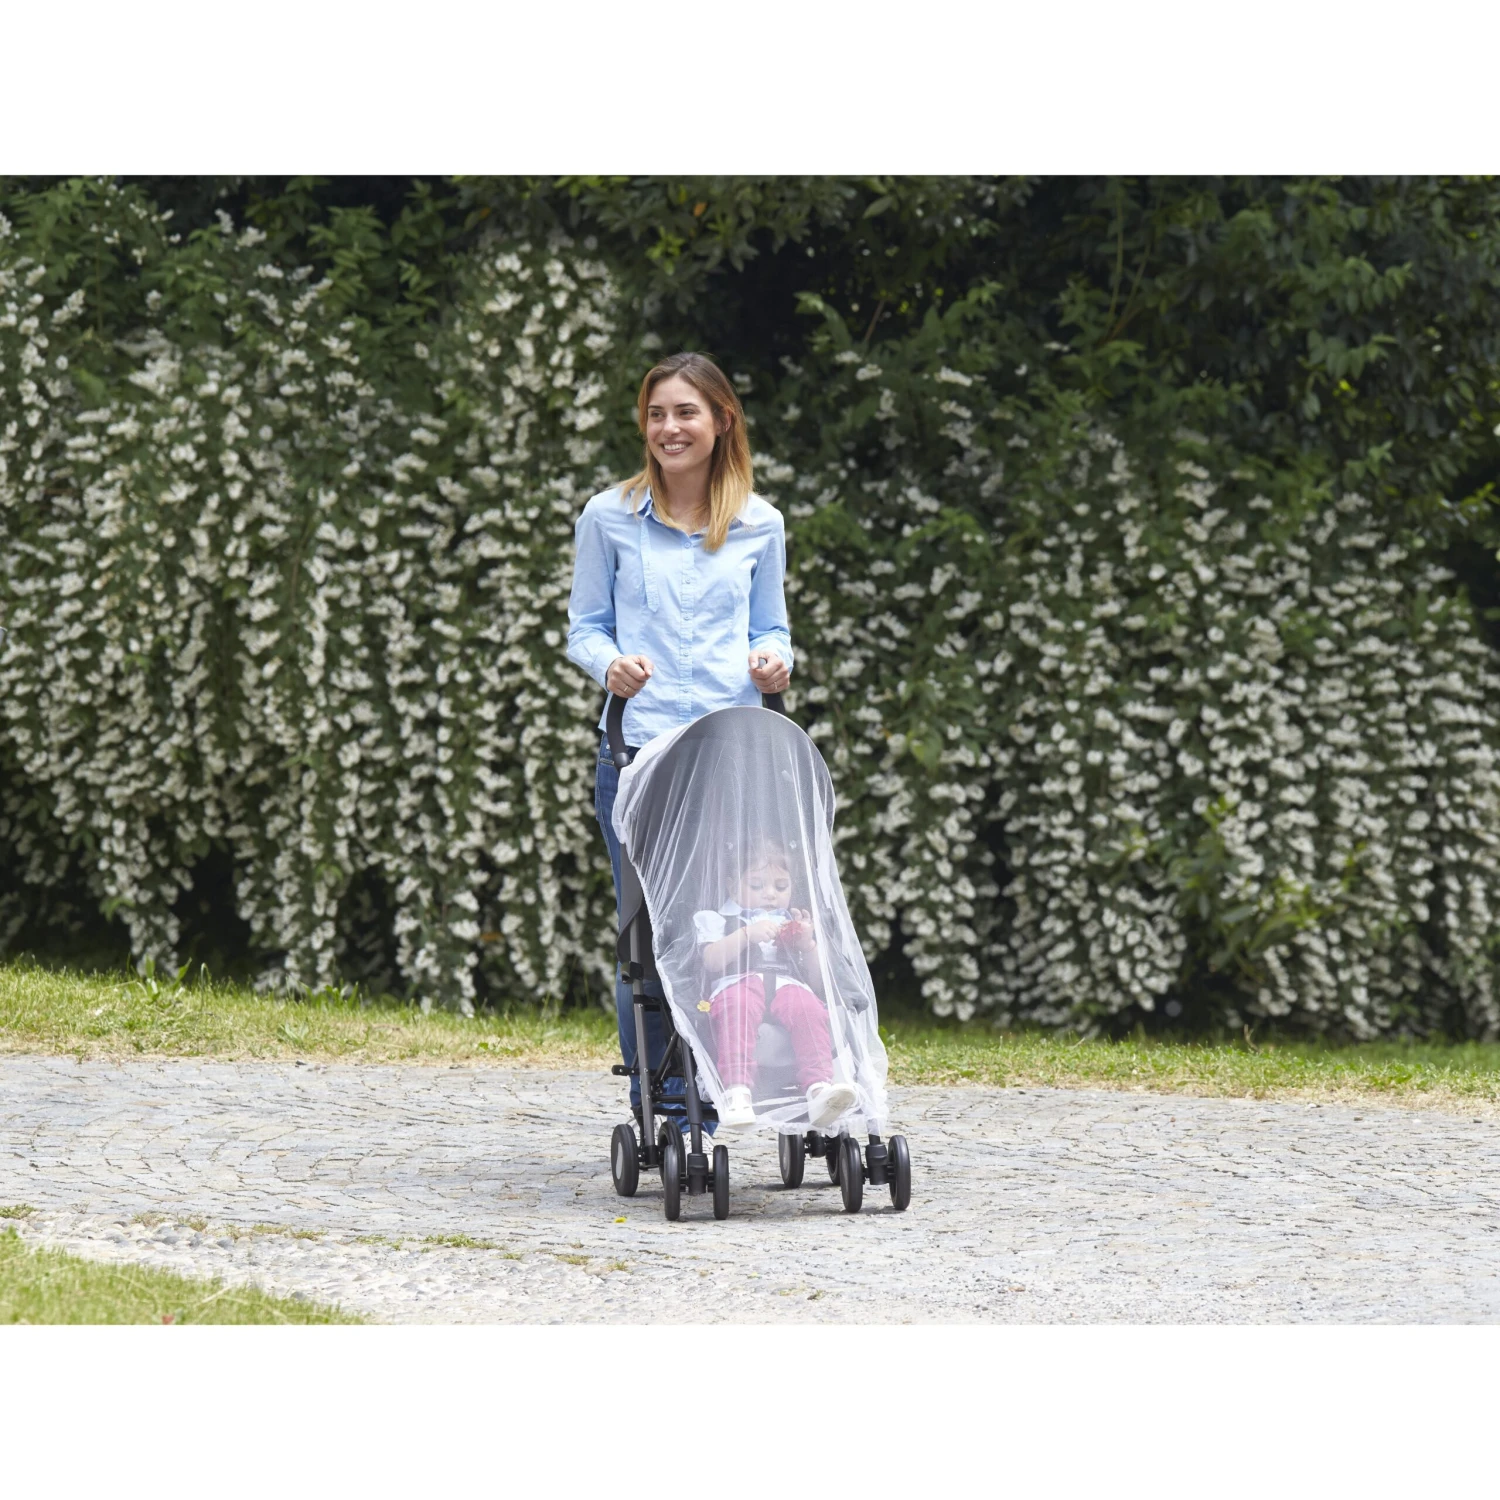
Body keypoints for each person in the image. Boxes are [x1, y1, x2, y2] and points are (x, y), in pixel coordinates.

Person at [566, 351, 794, 1127]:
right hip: (639, 755)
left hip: (732, 757)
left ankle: (732, 1083)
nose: (669, 427)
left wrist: (775, 660)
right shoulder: (608, 517)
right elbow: (584, 627)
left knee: (730, 921)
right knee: (651, 932)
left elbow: (771, 627)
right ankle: (664, 1102)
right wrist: (609, 665)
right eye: (656, 413)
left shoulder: (761, 524)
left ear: (721, 420)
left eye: (685, 413)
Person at [694, 838, 857, 1130]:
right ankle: (736, 1089)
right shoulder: (718, 918)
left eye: (781, 887)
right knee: (737, 1006)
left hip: (786, 984)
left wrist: (807, 945)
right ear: (732, 887)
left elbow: (818, 982)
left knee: (810, 1008)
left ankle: (818, 1087)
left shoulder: (792, 920)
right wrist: (746, 934)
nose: (770, 894)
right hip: (738, 982)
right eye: (757, 886)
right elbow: (711, 961)